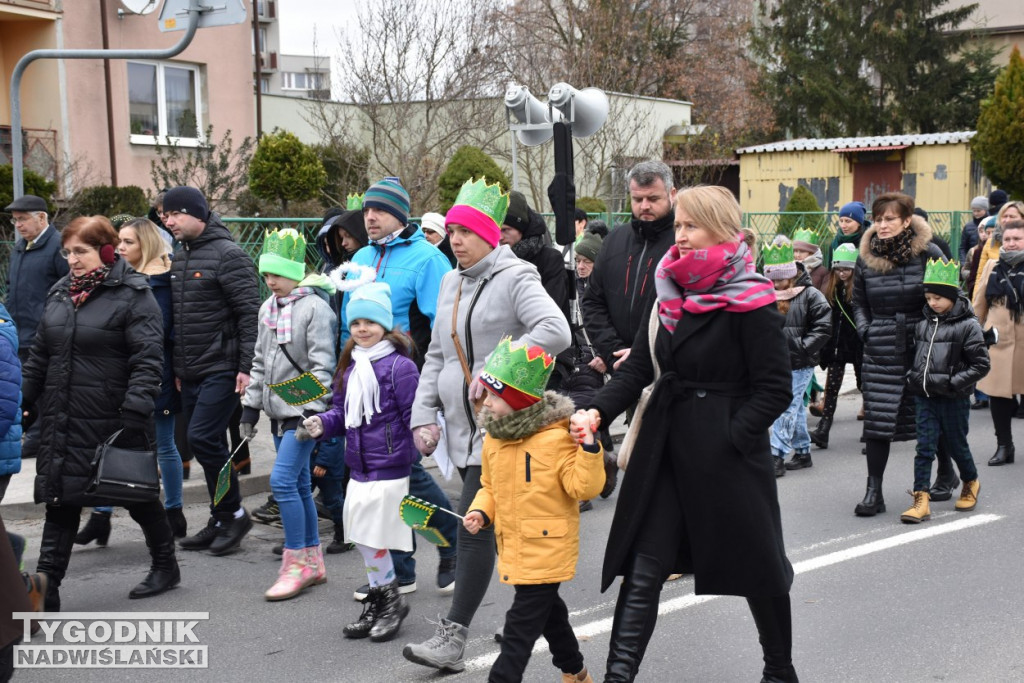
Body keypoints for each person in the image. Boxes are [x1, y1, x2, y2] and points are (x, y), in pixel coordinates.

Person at [584, 185, 795, 682]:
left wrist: (731, 436)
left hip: (728, 458)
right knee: (644, 567)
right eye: (677, 225)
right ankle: (619, 676)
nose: (678, 236)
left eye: (690, 226)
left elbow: (774, 389)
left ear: (721, 229)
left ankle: (779, 670)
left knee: (758, 571)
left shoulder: (752, 298)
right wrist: (596, 412)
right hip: (667, 447)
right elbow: (637, 370)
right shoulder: (669, 293)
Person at [402, 178, 571, 673]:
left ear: (490, 235)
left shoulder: (518, 276)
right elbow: (436, 355)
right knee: (501, 531)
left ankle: (453, 638)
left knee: (474, 521)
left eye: (466, 231)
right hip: (458, 424)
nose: (456, 240)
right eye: (451, 230)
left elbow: (556, 331)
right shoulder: (450, 281)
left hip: (504, 424)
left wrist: (499, 372)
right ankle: (536, 618)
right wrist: (422, 417)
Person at [22, 216, 178, 610]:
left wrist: (136, 408)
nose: (72, 259)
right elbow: (41, 353)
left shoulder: (133, 294)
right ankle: (46, 590)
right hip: (62, 417)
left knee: (137, 497)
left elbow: (148, 358)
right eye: (67, 251)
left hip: (113, 416)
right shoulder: (61, 292)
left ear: (106, 252)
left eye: (81, 251)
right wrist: (25, 400)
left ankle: (165, 564)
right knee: (61, 499)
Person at [340, 178, 457, 601]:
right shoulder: (361, 256)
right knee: (381, 478)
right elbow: (348, 324)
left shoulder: (428, 259)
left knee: (400, 475)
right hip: (360, 379)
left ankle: (450, 540)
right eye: (367, 209)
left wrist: (432, 384)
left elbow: (443, 323)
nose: (369, 217)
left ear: (401, 214)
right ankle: (401, 571)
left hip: (404, 379)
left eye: (380, 210)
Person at [464, 339, 605, 683]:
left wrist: (588, 448)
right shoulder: (494, 439)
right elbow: (490, 486)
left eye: (496, 397)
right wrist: (481, 512)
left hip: (548, 544)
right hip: (513, 543)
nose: (488, 404)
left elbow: (583, 488)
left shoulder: (557, 438)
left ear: (518, 401)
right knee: (549, 614)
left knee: (519, 629)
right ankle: (576, 671)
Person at [304, 282, 418, 642]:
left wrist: (419, 445)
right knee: (363, 535)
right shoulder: (350, 366)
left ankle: (390, 599)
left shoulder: (400, 366)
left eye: (370, 322)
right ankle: (384, 598)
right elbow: (341, 412)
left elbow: (415, 415)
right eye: (356, 323)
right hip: (360, 465)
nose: (362, 329)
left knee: (373, 535)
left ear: (385, 326)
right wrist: (322, 423)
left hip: (390, 464)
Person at [239, 229, 337, 601]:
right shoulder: (268, 308)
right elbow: (260, 360)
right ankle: (312, 561)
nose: (270, 282)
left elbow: (322, 366)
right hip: (277, 412)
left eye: (276, 274)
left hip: (304, 416)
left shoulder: (315, 308)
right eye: (266, 275)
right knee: (296, 486)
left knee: (281, 484)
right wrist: (250, 406)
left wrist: (311, 415)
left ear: (296, 271)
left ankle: (295, 565)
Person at [163, 186, 261, 555]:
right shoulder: (180, 255)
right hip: (189, 369)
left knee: (203, 437)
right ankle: (222, 516)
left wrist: (246, 366)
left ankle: (235, 513)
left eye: (175, 214)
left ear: (197, 214)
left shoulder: (229, 254)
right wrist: (177, 365)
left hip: (224, 366)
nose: (168, 220)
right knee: (209, 444)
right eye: (166, 215)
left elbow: (249, 314)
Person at [852, 192, 944, 517]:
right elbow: (858, 302)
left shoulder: (929, 252)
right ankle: (873, 491)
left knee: (932, 413)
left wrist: (933, 331)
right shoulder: (865, 258)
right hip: (880, 346)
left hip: (923, 342)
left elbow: (948, 295)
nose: (883, 225)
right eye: (878, 219)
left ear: (906, 220)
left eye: (890, 218)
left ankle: (945, 473)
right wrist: (866, 330)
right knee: (878, 419)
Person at [900, 258, 989, 523]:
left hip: (953, 398)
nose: (932, 303)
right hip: (925, 396)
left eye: (938, 297)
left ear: (952, 296)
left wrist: (953, 382)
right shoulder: (924, 322)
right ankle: (921, 498)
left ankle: (971, 481)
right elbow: (917, 355)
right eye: (928, 297)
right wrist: (912, 377)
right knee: (924, 448)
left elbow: (981, 365)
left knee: (956, 445)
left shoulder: (968, 325)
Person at [582, 160, 678, 374]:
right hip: (620, 368)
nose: (644, 206)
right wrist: (614, 351)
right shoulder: (615, 239)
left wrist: (643, 354)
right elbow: (593, 302)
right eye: (637, 199)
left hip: (668, 371)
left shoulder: (683, 243)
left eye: (653, 198)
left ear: (672, 194)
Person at [762, 236, 832, 475]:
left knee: (787, 406)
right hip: (775, 360)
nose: (777, 284)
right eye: (772, 279)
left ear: (791, 273)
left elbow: (823, 326)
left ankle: (776, 455)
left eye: (781, 278)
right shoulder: (766, 294)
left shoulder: (810, 294)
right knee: (795, 408)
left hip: (801, 361)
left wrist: (802, 347)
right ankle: (802, 452)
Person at [564, 230, 618, 508]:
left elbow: (614, 328)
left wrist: (604, 357)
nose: (582, 266)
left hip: (596, 365)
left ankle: (584, 490)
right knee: (577, 421)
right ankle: (605, 460)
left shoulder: (606, 289)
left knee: (582, 418)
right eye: (579, 260)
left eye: (588, 261)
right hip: (571, 362)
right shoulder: (571, 286)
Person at [973, 220, 1024, 467]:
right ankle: (1004, 446)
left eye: (1017, 239)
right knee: (998, 397)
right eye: (1008, 239)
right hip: (998, 342)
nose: (1012, 243)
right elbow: (980, 302)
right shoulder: (993, 266)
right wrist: (972, 332)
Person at [810, 243, 863, 449]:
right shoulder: (832, 288)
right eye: (838, 269)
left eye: (847, 269)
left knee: (863, 385)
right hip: (837, 346)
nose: (842, 273)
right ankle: (823, 429)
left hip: (858, 345)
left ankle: (872, 429)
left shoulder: (859, 288)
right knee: (831, 388)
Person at [3, 194, 68, 364]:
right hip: (18, 338)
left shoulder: (60, 246)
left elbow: (69, 290)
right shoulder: (19, 248)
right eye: (15, 220)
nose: (18, 225)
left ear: (41, 217)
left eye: (22, 219)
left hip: (45, 340)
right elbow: (10, 288)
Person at [825, 201, 868, 268]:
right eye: (841, 221)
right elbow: (830, 271)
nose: (843, 226)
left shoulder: (870, 241)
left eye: (848, 221)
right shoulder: (835, 243)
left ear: (859, 223)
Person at [960, 196, 989, 263]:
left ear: (985, 209)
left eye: (978, 211)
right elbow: (963, 247)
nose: (976, 213)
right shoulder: (968, 227)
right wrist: (963, 264)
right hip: (971, 261)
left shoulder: (991, 224)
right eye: (974, 211)